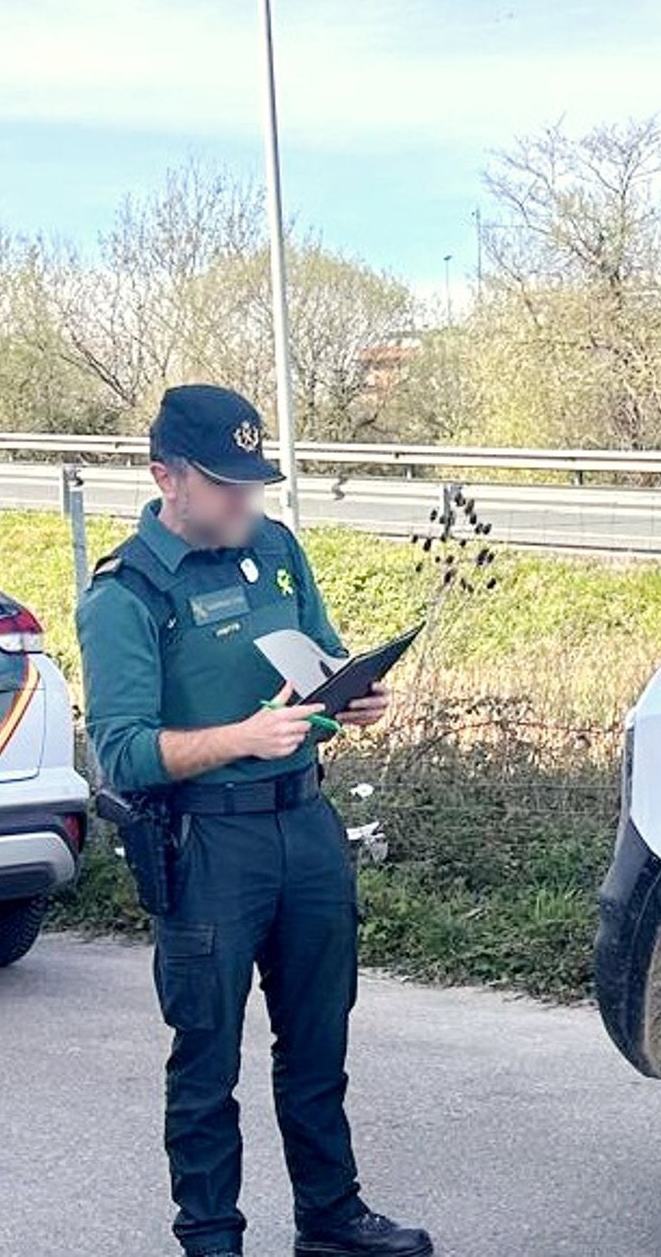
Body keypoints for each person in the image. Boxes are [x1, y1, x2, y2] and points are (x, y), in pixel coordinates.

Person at [76, 384, 434, 1257]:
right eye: (226, 483)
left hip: (303, 825)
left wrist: (349, 695)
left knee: (318, 1042)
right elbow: (119, 752)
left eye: (254, 480)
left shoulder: (276, 548)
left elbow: (318, 650)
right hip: (209, 844)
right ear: (167, 477)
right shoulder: (124, 595)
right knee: (207, 1059)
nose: (247, 499)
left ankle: (332, 1220)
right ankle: (211, 1238)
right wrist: (240, 737)